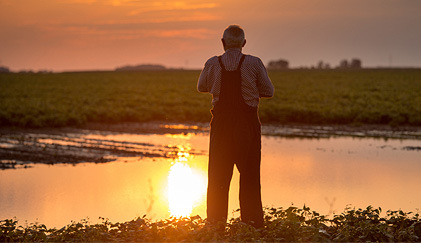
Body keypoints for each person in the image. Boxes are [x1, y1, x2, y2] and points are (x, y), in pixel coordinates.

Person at [197, 24, 274, 228]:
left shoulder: (212, 63)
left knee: (217, 178)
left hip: (221, 126)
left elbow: (201, 87)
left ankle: (215, 227)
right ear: (244, 43)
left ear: (222, 43)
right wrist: (251, 89)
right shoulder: (254, 63)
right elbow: (269, 90)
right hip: (247, 125)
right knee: (249, 177)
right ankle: (252, 227)